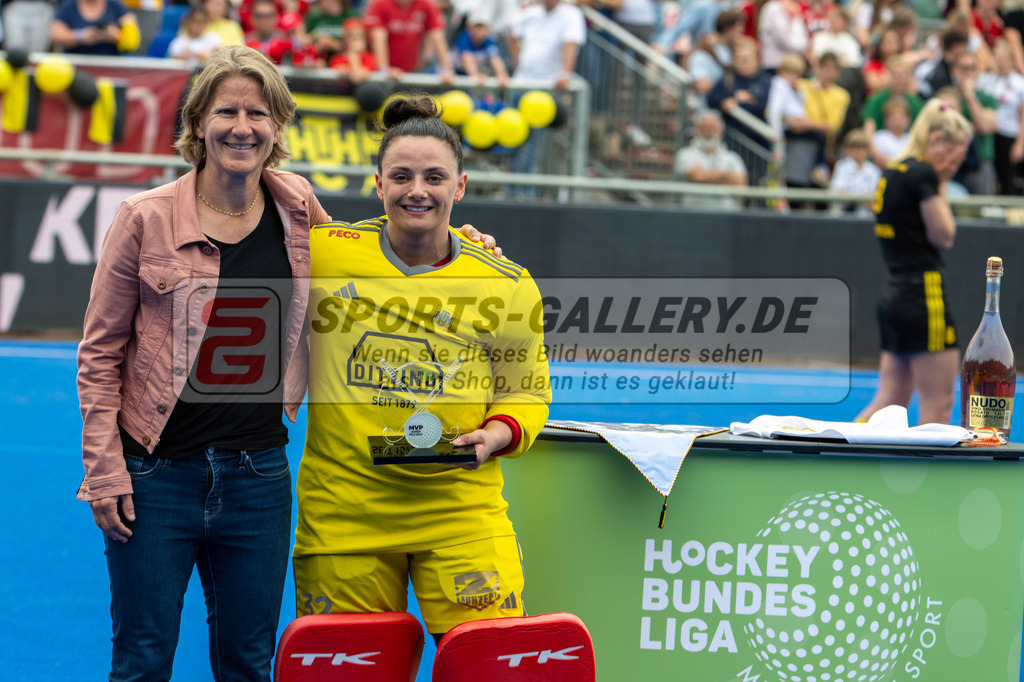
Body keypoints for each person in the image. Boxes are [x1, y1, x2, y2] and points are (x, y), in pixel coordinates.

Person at [77, 46, 492, 682]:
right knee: (142, 661)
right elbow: (100, 353)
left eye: (258, 113)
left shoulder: (296, 204)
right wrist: (104, 470)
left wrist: (461, 244)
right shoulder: (144, 218)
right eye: (226, 112)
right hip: (155, 475)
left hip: (257, 478)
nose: (242, 127)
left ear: (277, 127)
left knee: (249, 664)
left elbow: (368, 258)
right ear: (198, 123)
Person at [293, 95, 552, 643]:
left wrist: (498, 433)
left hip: (462, 513)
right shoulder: (323, 254)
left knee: (488, 669)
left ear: (460, 187)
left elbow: (527, 392)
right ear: (378, 184)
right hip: (345, 513)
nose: (417, 190)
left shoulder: (505, 282)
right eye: (401, 176)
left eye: (435, 177)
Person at [855, 98, 973, 426]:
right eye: (956, 157)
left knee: (888, 399)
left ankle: (841, 450)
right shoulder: (924, 174)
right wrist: (942, 179)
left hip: (895, 293)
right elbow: (944, 236)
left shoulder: (893, 170)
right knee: (938, 405)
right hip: (923, 293)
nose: (956, 166)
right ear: (937, 140)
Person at [674, 108, 748, 209]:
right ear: (696, 130)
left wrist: (706, 175)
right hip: (692, 214)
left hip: (726, 215)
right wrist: (728, 177)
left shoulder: (733, 158)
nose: (708, 132)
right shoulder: (685, 154)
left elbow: (741, 183)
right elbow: (696, 176)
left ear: (721, 132)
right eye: (704, 127)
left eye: (712, 128)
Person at [976, 38, 1024, 194]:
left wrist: (1020, 143)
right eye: (997, 57)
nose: (1000, 62)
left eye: (1003, 58)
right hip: (988, 133)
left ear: (1011, 60)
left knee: (1006, 177)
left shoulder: (1019, 83)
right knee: (988, 173)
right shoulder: (985, 80)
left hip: (1009, 134)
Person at [364, 0, 455, 81]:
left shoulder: (426, 4)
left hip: (413, 70)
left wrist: (447, 69)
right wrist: (385, 70)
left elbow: (438, 36)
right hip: (383, 70)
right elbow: (378, 39)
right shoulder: (380, 4)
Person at [50, 0, 138, 55]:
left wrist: (117, 35)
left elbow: (133, 39)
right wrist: (81, 36)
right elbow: (55, 34)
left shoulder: (115, 5)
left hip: (111, 64)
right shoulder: (69, 6)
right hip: (77, 64)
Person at [830, 128, 882, 217]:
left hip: (868, 216)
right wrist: (862, 199)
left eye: (862, 148)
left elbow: (876, 195)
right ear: (846, 149)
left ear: (867, 150)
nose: (858, 151)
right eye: (854, 147)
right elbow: (839, 190)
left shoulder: (873, 170)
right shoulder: (842, 166)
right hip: (844, 215)